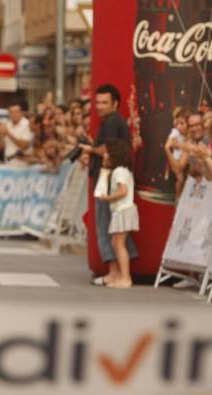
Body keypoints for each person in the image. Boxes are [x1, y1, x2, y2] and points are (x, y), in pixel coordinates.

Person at [80, 84, 138, 285]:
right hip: (109, 182)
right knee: (114, 234)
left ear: (115, 103)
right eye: (97, 102)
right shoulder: (111, 122)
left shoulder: (113, 122)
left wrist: (90, 149)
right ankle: (117, 273)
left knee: (107, 227)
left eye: (104, 102)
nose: (99, 106)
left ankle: (117, 272)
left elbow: (107, 148)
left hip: (109, 184)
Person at [95, 140, 138, 289]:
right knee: (115, 243)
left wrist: (107, 198)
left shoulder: (119, 171)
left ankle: (126, 278)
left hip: (123, 210)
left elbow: (123, 191)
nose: (105, 155)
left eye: (107, 153)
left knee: (119, 244)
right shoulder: (122, 170)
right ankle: (121, 275)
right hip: (121, 210)